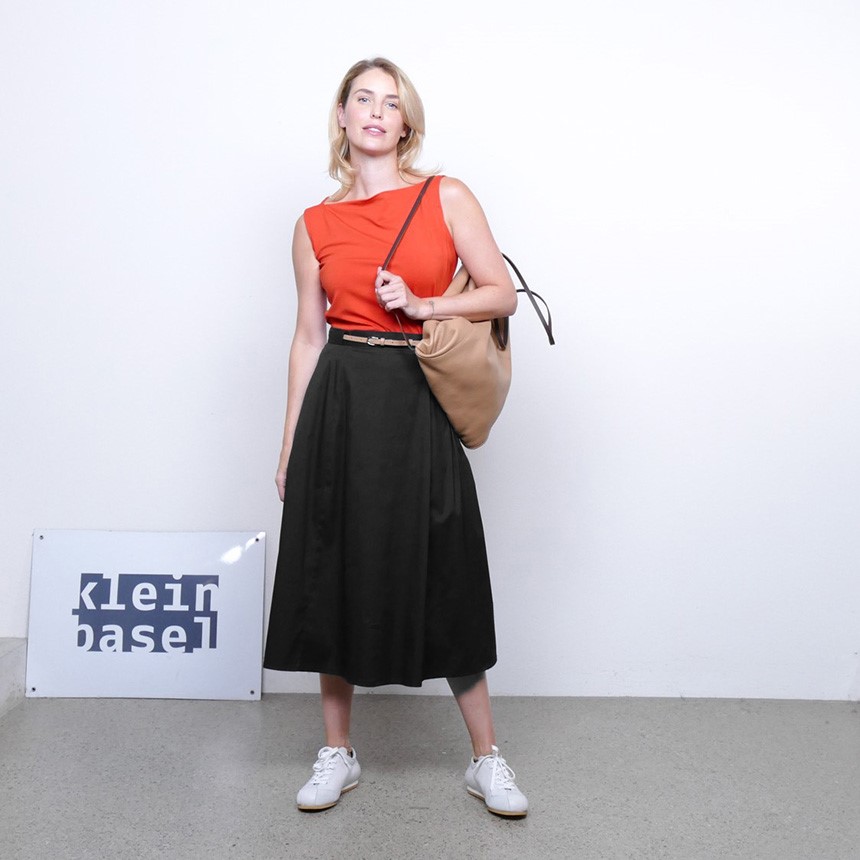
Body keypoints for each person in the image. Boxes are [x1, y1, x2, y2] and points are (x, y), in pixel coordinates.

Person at [263, 56, 528, 819]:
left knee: (447, 564)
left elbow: (502, 293)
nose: (376, 111)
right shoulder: (313, 224)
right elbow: (308, 337)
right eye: (362, 99)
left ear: (406, 121)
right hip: (340, 397)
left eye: (390, 101)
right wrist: (289, 442)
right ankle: (337, 751)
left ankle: (486, 759)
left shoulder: (446, 195)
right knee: (333, 562)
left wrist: (424, 304)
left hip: (417, 396)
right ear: (342, 117)